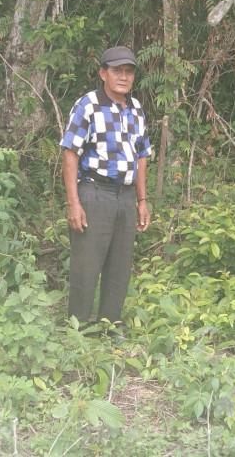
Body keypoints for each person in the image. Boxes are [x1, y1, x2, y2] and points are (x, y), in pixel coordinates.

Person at [60, 46, 151, 328]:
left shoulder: (136, 109)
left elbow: (142, 155)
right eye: (117, 71)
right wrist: (74, 203)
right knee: (87, 265)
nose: (124, 77)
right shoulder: (87, 105)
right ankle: (78, 328)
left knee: (120, 265)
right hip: (94, 192)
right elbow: (70, 154)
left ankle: (110, 325)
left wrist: (142, 199)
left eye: (129, 71)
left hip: (125, 196)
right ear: (103, 73)